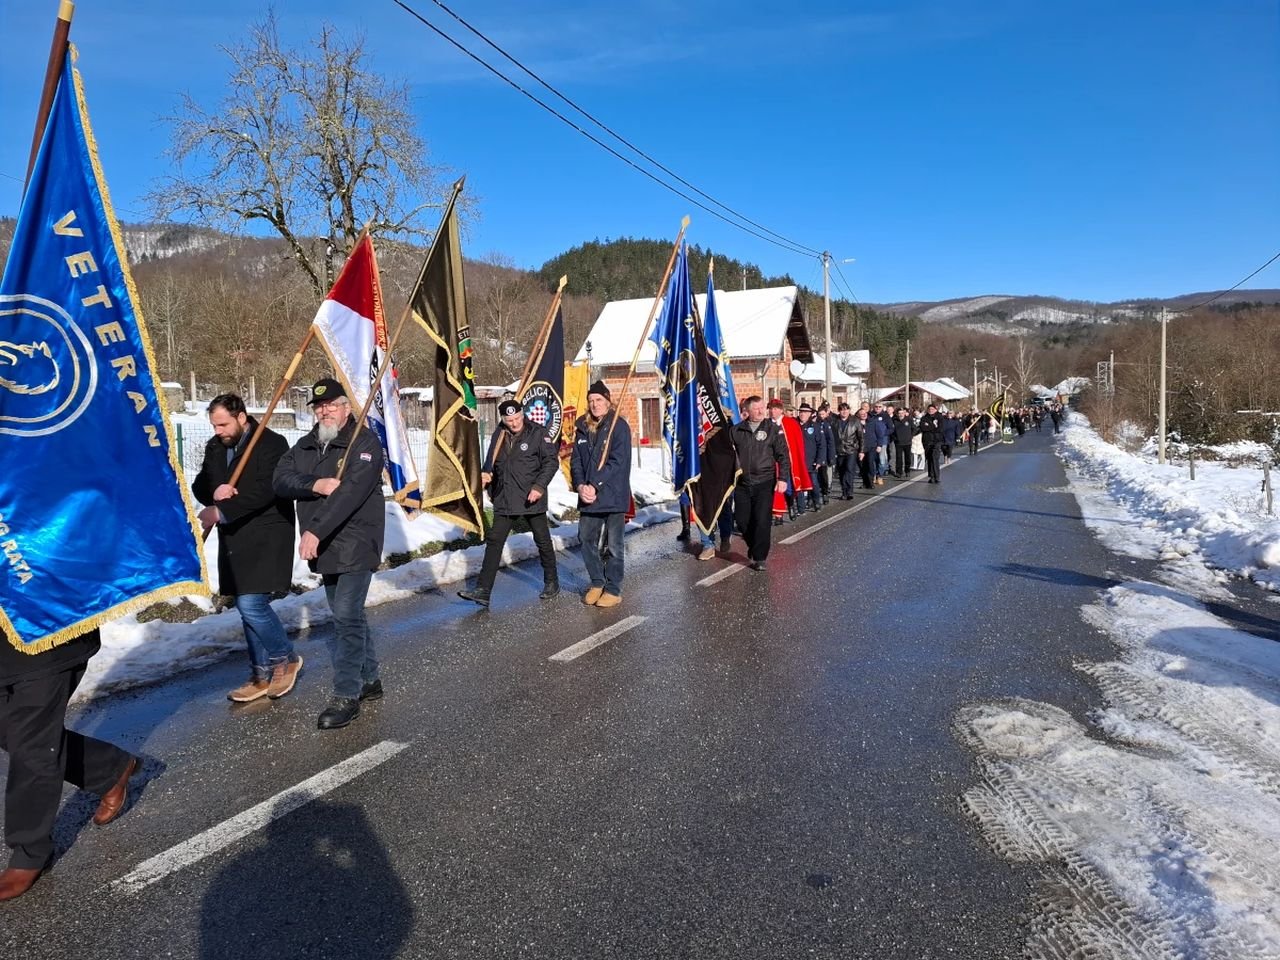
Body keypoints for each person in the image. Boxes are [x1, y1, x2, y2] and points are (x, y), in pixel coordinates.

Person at [273, 378, 385, 731]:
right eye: (319, 407)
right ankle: (370, 680)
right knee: (346, 613)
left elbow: (351, 493)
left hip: (355, 541)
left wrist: (316, 529)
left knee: (346, 616)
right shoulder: (306, 446)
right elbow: (281, 479)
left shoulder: (364, 444)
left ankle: (346, 695)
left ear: (346, 407)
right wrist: (314, 484)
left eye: (332, 404)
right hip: (326, 547)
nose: (325, 411)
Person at [1, 627, 139, 901]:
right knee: (17, 736)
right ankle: (108, 768)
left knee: (32, 746)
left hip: (43, 632)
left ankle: (28, 853)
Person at [192, 393, 301, 703]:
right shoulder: (217, 446)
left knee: (252, 604)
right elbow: (201, 484)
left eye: (223, 424)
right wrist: (215, 490)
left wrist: (223, 510)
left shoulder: (272, 443)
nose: (218, 431)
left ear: (241, 417)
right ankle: (260, 674)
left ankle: (285, 658)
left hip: (267, 535)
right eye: (214, 425)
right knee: (246, 607)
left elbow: (267, 490)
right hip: (234, 540)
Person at [459, 399, 560, 607]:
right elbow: (492, 461)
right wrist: (487, 476)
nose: (514, 423)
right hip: (505, 497)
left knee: (542, 540)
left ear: (522, 414)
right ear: (503, 419)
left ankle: (552, 582)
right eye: (509, 420)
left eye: (516, 418)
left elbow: (551, 462)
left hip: (531, 497)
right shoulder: (499, 434)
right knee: (494, 542)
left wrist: (539, 487)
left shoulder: (538, 433)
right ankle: (483, 590)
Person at [570, 381, 632, 607]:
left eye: (599, 400)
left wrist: (594, 484)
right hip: (588, 496)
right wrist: (580, 486)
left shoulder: (619, 426)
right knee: (585, 539)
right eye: (591, 401)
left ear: (608, 402)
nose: (594, 405)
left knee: (614, 546)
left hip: (612, 495)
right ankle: (597, 581)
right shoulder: (582, 427)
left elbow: (617, 462)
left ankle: (613, 589)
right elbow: (575, 461)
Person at [729, 396, 790, 570]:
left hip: (765, 481)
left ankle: (760, 557)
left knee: (762, 520)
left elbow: (783, 456)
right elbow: (727, 456)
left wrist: (782, 478)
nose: (761, 411)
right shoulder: (736, 431)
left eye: (762, 407)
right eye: (756, 408)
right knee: (742, 520)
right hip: (742, 483)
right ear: (747, 411)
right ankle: (754, 545)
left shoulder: (772, 429)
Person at [796, 403, 826, 513]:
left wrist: (819, 460)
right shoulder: (795, 425)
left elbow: (821, 445)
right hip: (798, 461)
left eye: (805, 412)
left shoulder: (815, 427)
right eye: (801, 412)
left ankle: (816, 501)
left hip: (811, 461)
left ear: (810, 414)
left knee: (813, 483)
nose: (803, 414)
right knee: (799, 484)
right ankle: (801, 507)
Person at [832, 403, 861, 499]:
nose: (844, 412)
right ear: (839, 411)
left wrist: (862, 451)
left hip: (851, 450)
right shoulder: (835, 422)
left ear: (849, 410)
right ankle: (844, 491)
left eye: (846, 410)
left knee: (849, 470)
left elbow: (861, 437)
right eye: (842, 410)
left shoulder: (855, 421)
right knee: (841, 471)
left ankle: (849, 491)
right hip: (839, 450)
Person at [919, 404, 946, 484]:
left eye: (932, 409)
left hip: (936, 441)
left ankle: (937, 476)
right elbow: (923, 427)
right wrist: (933, 426)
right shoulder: (924, 418)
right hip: (927, 441)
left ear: (935, 409)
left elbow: (940, 429)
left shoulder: (939, 417)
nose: (931, 410)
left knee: (935, 458)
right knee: (929, 459)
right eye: (929, 409)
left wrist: (929, 426)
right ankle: (931, 476)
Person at [815, 402, 836, 504]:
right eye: (820, 414)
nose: (821, 416)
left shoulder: (827, 425)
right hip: (815, 453)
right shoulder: (815, 424)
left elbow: (830, 441)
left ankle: (825, 492)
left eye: (823, 414)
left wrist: (831, 456)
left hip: (824, 453)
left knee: (824, 475)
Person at [892, 408, 916, 477]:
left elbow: (914, 429)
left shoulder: (909, 420)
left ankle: (907, 471)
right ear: (897, 414)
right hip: (898, 442)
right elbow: (892, 431)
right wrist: (895, 438)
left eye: (902, 413)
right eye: (899, 413)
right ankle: (899, 472)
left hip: (907, 442)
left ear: (904, 413)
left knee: (907, 457)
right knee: (899, 458)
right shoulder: (894, 420)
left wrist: (910, 436)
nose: (900, 414)